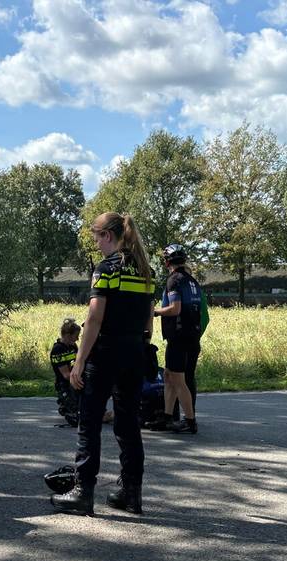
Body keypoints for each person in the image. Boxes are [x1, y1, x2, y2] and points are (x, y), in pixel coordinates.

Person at [50, 212, 154, 516]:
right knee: (128, 424)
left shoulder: (107, 268)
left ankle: (83, 492)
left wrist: (79, 361)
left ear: (107, 235)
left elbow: (94, 319)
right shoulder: (145, 269)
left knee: (90, 422)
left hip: (105, 352)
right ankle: (131, 493)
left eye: (96, 237)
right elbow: (148, 320)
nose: (96, 243)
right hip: (134, 352)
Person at [148, 244, 202, 434]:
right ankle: (167, 416)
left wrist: (155, 312)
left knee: (178, 379)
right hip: (192, 336)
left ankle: (190, 421)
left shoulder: (174, 280)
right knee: (169, 376)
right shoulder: (192, 281)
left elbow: (175, 308)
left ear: (166, 262)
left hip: (179, 336)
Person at [50, 318, 81, 426]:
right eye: (76, 336)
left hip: (75, 379)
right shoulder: (58, 350)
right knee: (81, 417)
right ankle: (67, 405)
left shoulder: (73, 346)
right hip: (65, 384)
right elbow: (66, 375)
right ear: (68, 335)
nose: (77, 339)